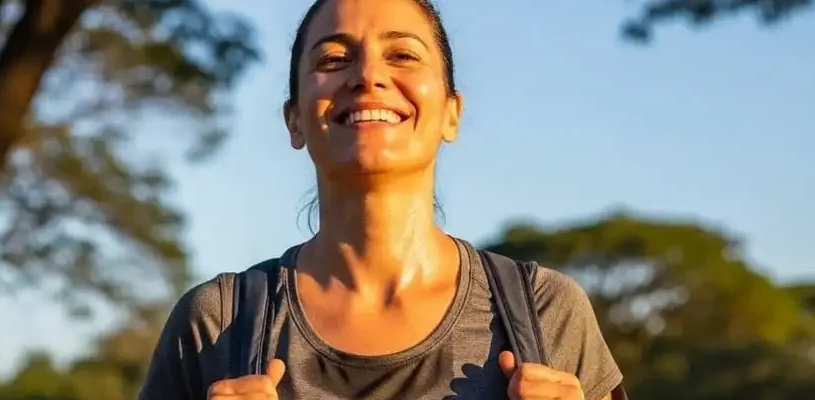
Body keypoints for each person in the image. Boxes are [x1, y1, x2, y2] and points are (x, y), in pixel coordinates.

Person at [139, 0, 625, 398]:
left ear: (451, 113)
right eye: (334, 59)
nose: (368, 76)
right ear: (295, 121)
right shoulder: (218, 322)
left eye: (403, 55)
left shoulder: (545, 312)